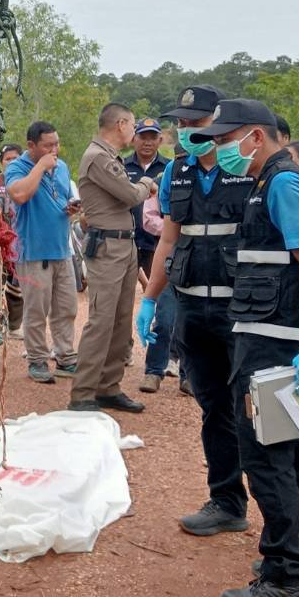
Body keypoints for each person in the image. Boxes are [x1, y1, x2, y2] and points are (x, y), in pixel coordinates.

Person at [192, 99, 299, 597]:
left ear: (254, 135)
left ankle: (285, 576)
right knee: (291, 450)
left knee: (267, 455)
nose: (221, 149)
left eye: (226, 140)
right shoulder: (268, 183)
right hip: (267, 336)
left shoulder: (285, 184)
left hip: (276, 343)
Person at [138, 84, 252, 536]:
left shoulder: (248, 171)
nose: (186, 131)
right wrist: (149, 300)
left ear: (220, 123)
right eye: (181, 123)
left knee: (253, 410)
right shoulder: (177, 172)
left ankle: (287, 526)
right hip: (193, 306)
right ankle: (227, 500)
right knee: (214, 408)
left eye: (196, 123)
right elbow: (170, 237)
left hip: (243, 309)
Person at [70, 104, 159, 412]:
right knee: (101, 321)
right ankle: (83, 393)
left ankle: (109, 386)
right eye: (132, 125)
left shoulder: (108, 157)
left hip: (124, 245)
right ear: (120, 124)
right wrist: (148, 183)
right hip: (107, 248)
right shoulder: (97, 158)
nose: (134, 132)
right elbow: (132, 195)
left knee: (121, 322)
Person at [4, 122, 79, 383]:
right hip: (33, 252)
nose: (54, 149)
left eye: (56, 144)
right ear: (31, 146)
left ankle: (65, 357)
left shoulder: (63, 167)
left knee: (67, 307)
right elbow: (20, 195)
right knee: (36, 310)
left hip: (61, 249)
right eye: (48, 145)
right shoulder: (16, 168)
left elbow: (64, 197)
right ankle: (37, 359)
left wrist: (71, 208)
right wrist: (41, 167)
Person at [126, 116, 178, 392]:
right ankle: (130, 354)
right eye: (142, 136)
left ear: (160, 139)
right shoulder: (123, 166)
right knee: (125, 302)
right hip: (131, 242)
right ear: (134, 138)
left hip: (163, 245)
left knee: (169, 310)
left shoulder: (170, 168)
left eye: (152, 136)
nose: (147, 141)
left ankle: (173, 364)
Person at [0, 144, 25, 338]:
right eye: (7, 159)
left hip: (20, 240)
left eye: (15, 158)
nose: (11, 162)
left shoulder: (26, 182)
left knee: (18, 285)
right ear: (1, 162)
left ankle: (15, 325)